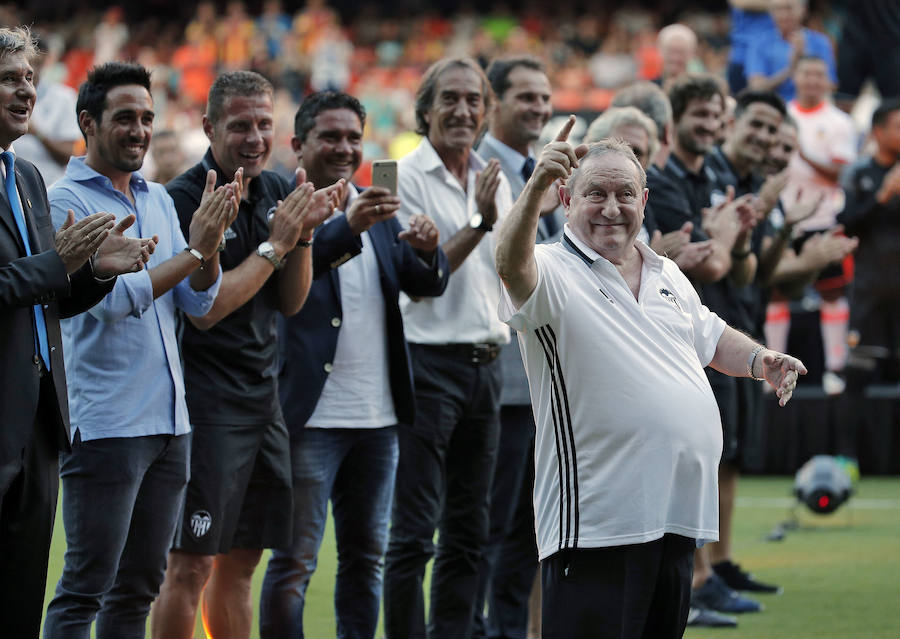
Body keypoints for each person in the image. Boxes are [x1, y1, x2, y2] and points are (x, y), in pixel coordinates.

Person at [493, 119, 806, 639]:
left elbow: (709, 335)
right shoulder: (549, 267)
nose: (611, 208)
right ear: (566, 199)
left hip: (674, 517)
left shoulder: (663, 270)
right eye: (595, 193)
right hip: (596, 523)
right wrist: (531, 191)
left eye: (623, 194)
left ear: (645, 199)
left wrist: (759, 360)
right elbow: (508, 264)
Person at [40, 61, 236, 638]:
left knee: (138, 590)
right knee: (86, 587)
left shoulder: (156, 198)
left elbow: (198, 305)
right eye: (125, 117)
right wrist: (195, 253)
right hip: (105, 426)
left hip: (170, 425)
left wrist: (211, 245)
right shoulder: (65, 202)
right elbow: (114, 301)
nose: (140, 130)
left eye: (148, 118)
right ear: (88, 123)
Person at [151, 70, 337, 639]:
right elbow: (205, 309)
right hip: (205, 407)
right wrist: (276, 244)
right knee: (189, 566)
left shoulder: (278, 189)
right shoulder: (185, 198)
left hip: (265, 403)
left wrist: (302, 236)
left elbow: (290, 301)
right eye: (239, 126)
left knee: (242, 565)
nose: (255, 138)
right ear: (209, 127)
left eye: (263, 124)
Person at [259, 90, 449, 639]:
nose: (344, 148)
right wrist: (350, 226)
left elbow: (424, 285)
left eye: (352, 138)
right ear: (298, 144)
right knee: (295, 564)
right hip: (310, 418)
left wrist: (429, 250)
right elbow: (289, 279)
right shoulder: (282, 205)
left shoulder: (375, 203)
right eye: (330, 137)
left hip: (378, 417)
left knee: (368, 560)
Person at [0, 26, 151, 638]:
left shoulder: (28, 178)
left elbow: (43, 295)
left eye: (30, 78)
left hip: (36, 425)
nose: (27, 90)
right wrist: (55, 266)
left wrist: (93, 273)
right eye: (10, 78)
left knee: (19, 602)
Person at [382, 57, 513, 639]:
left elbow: (508, 270)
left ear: (486, 112)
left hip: (487, 365)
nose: (463, 110)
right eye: (450, 99)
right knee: (412, 532)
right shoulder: (399, 175)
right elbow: (415, 273)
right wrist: (482, 223)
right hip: (426, 364)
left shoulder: (494, 175)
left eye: (473, 100)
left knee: (469, 530)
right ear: (426, 109)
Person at [473, 55, 553, 639]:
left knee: (527, 533)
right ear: (493, 103)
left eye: (544, 98)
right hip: (498, 383)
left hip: (537, 386)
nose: (539, 108)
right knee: (489, 530)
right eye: (526, 96)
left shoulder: (537, 172)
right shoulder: (484, 175)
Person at [835, 99, 900, 461]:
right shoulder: (860, 174)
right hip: (870, 295)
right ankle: (847, 461)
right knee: (856, 379)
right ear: (877, 132)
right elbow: (847, 223)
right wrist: (883, 196)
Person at [12, 34, 80, 188]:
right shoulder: (6, 95)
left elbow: (69, 154)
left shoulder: (64, 98)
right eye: (28, 62)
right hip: (9, 188)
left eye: (37, 63)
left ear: (47, 60)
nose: (32, 70)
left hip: (48, 189)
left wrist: (38, 133)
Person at [745, 0, 836, 102]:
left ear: (803, 10)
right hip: (774, 107)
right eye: (778, 9)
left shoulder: (820, 42)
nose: (783, 15)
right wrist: (791, 68)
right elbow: (757, 88)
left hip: (811, 108)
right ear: (770, 13)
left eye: (789, 8)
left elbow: (830, 85)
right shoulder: (759, 43)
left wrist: (804, 62)